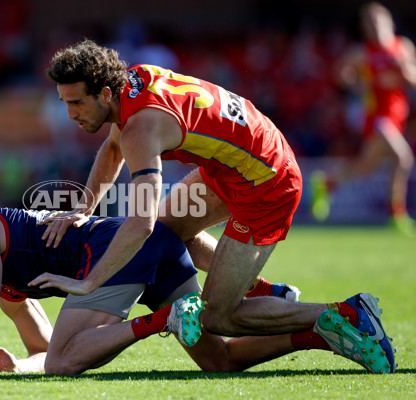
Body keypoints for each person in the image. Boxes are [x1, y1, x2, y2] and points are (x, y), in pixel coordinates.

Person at [33, 39, 396, 369]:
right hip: (238, 161)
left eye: (77, 102)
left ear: (105, 94)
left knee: (217, 317)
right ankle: (265, 292)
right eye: (65, 103)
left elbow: (139, 223)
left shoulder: (141, 129)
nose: (71, 114)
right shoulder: (132, 81)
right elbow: (113, 149)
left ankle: (348, 313)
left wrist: (90, 282)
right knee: (168, 231)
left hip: (268, 181)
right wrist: (84, 208)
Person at [0, 196, 393, 374]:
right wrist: (16, 368)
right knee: (218, 359)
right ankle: (327, 327)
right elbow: (50, 351)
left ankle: (168, 318)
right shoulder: (0, 277)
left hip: (120, 251)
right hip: (152, 246)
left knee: (68, 364)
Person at [310, 2, 416, 235]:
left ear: (389, 23)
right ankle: (397, 214)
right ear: (365, 28)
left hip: (397, 116)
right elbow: (339, 73)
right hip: (377, 117)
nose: (374, 28)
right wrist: (358, 85)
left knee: (367, 167)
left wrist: (404, 69)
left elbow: (413, 79)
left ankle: (327, 183)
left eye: (377, 22)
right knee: (403, 158)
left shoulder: (403, 47)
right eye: (369, 24)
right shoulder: (361, 53)